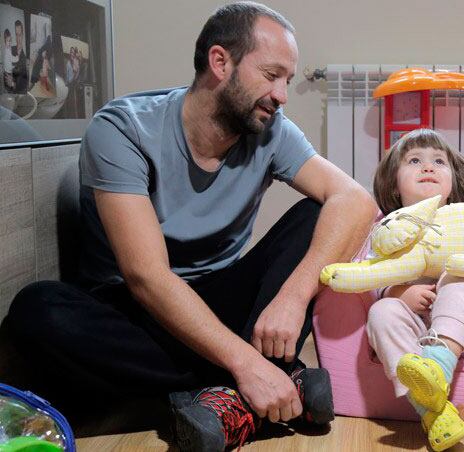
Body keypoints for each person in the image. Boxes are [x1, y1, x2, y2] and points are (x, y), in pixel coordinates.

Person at [6, 2, 376, 451]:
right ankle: (253, 381)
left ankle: (214, 395)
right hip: (133, 310)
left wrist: (293, 297)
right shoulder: (123, 129)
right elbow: (147, 277)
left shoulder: (272, 130)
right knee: (36, 310)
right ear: (220, 62)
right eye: (271, 75)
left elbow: (356, 201)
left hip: (217, 298)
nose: (281, 95)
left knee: (321, 214)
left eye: (288, 81)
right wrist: (246, 362)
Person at [364, 129, 464, 451]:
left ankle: (440, 363)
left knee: (458, 280)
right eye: (414, 160)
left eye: (438, 161)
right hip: (413, 342)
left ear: (453, 182)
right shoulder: (385, 229)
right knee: (380, 311)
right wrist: (395, 293)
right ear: (392, 183)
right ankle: (434, 411)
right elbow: (366, 276)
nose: (428, 167)